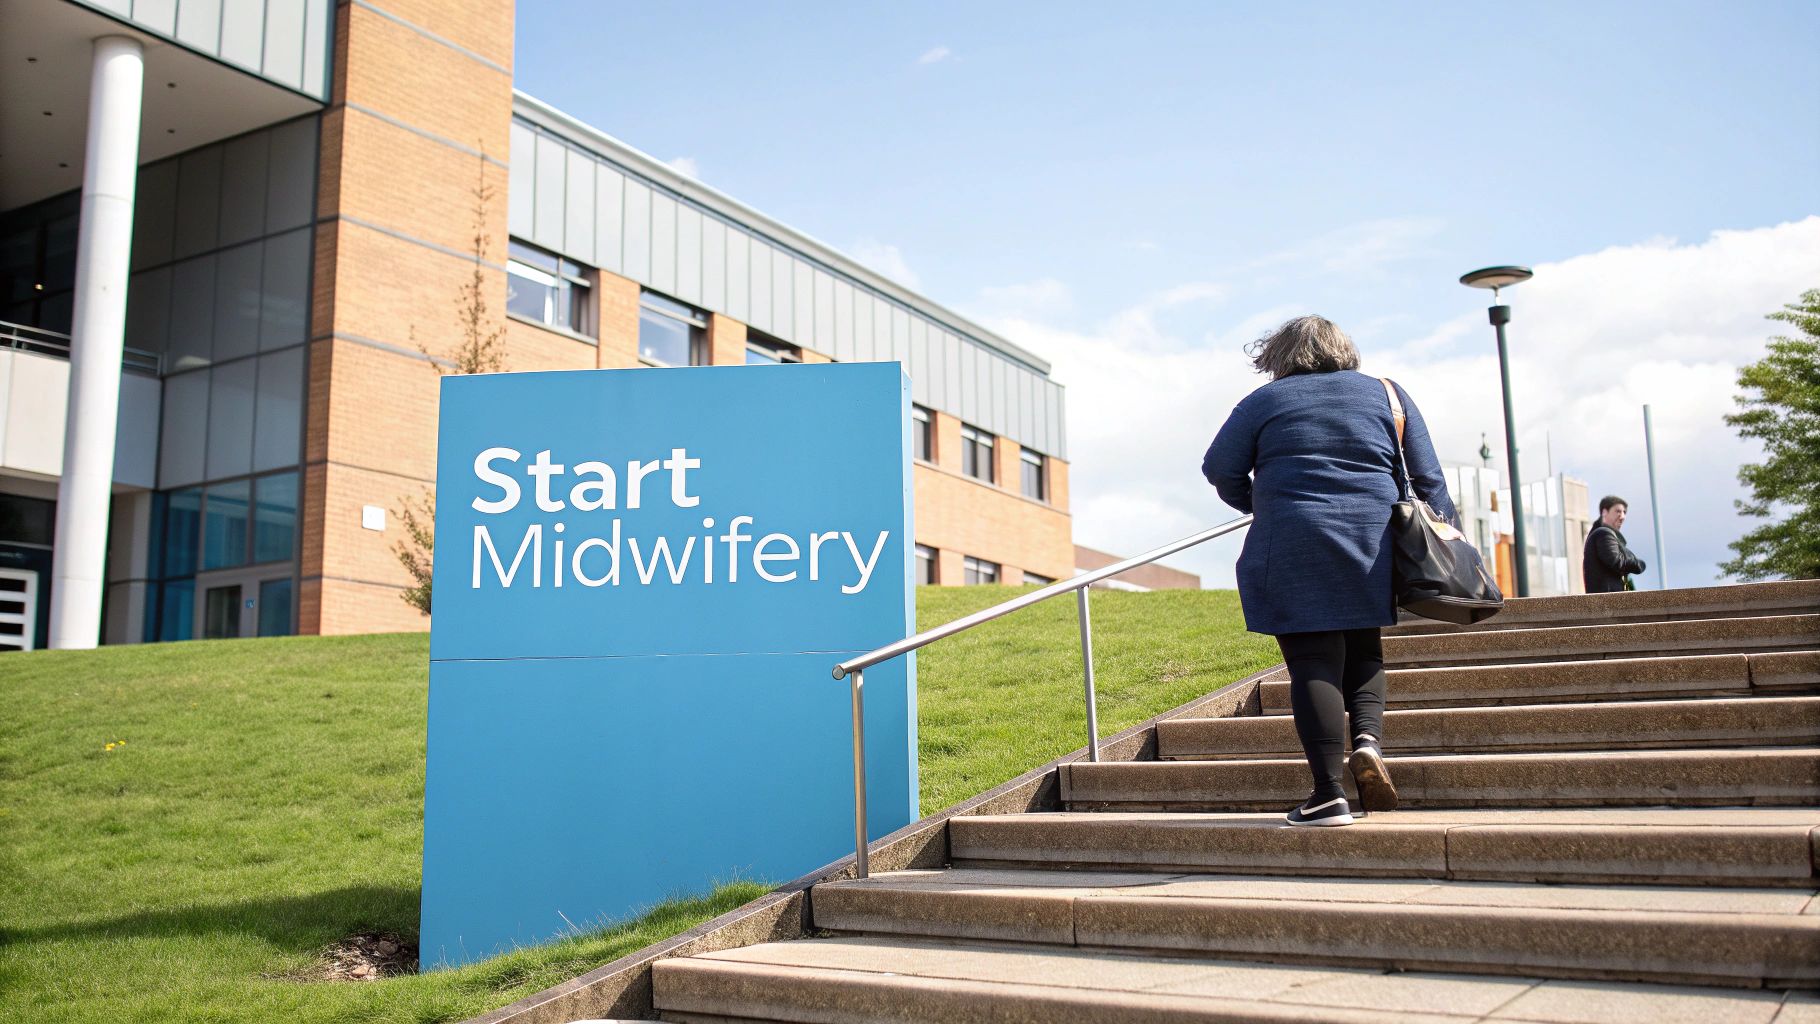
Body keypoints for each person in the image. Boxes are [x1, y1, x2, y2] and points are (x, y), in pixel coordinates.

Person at [1202, 315, 1457, 827]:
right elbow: (1428, 476)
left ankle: (1327, 795)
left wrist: (1257, 501)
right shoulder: (1386, 394)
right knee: (1364, 643)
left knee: (1314, 659)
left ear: (1279, 358)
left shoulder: (1263, 403)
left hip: (1294, 540)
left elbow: (1218, 468)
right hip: (1374, 538)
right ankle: (1367, 741)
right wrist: (1448, 534)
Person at [1583, 495, 1647, 593]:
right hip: (1607, 601)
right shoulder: (1604, 533)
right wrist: (1638, 564)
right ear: (1604, 512)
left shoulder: (1600, 533)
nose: (1622, 516)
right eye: (1618, 511)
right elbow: (1617, 561)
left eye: (1624, 512)